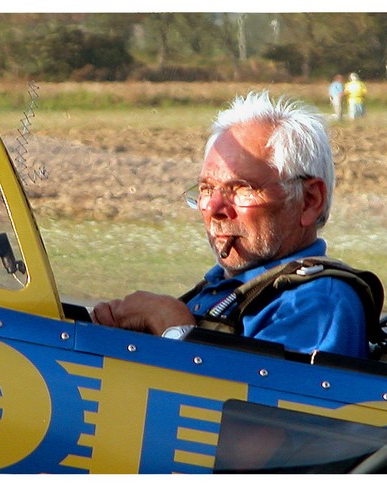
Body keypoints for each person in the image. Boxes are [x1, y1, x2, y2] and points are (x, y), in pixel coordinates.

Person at [91, 91, 369, 358]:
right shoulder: (226, 289)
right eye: (207, 189)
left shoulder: (317, 302)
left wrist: (173, 327)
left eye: (241, 188)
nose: (213, 209)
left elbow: (260, 404)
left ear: (309, 201)